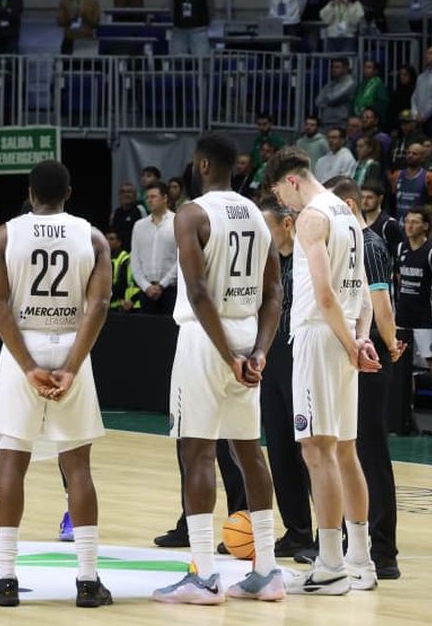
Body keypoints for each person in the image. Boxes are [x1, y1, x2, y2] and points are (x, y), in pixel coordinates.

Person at [153, 135, 287, 604]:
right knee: (249, 452)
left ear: (204, 164)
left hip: (206, 339)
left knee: (198, 453)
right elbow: (275, 295)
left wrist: (226, 353)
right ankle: (267, 570)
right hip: (250, 334)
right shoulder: (258, 214)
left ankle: (204, 575)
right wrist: (260, 352)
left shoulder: (192, 213)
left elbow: (197, 293)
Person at [0, 160, 113, 609]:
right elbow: (99, 304)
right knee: (78, 467)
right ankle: (89, 581)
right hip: (73, 343)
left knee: (12, 461)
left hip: (24, 347)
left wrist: (27, 365)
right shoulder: (92, 236)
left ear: (30, 193)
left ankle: (6, 577)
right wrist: (72, 365)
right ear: (68, 194)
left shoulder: (6, 235)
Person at [265, 148, 380, 594]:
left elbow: (326, 294)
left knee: (317, 451)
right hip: (346, 334)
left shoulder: (313, 217)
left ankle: (329, 564)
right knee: (346, 451)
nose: (284, 206)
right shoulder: (349, 214)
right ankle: (360, 560)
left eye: (280, 194)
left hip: (319, 336)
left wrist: (352, 344)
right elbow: (363, 293)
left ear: (291, 182)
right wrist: (361, 339)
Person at [328, 179, 402, 579]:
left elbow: (381, 304)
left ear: (349, 204)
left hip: (370, 354)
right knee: (346, 450)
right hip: (350, 352)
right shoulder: (349, 243)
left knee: (371, 453)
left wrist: (390, 343)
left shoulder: (370, 246)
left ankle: (385, 551)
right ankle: (350, 541)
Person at [256, 199, 314, 557]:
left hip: (302, 356)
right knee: (278, 448)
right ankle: (297, 530)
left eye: (268, 227)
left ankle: (328, 532)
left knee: (308, 449)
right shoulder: (265, 264)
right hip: (271, 356)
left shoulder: (309, 258)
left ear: (287, 224)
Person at [395, 207, 432, 434]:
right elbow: (399, 279)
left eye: (415, 222)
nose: (409, 226)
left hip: (426, 317)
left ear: (426, 226)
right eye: (407, 221)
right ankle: (406, 416)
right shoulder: (400, 248)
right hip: (403, 316)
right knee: (403, 368)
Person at [130, 180, 178, 315]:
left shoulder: (177, 222)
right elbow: (135, 260)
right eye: (147, 197)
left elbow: (181, 259)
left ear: (165, 198)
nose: (149, 200)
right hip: (146, 291)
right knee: (146, 333)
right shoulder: (139, 226)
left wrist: (163, 284)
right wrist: (146, 287)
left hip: (170, 290)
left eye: (153, 197)